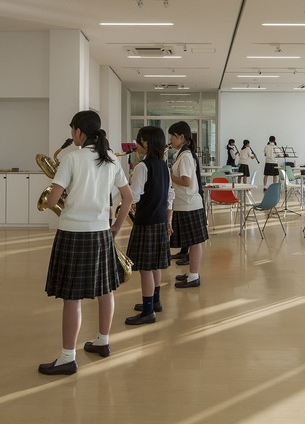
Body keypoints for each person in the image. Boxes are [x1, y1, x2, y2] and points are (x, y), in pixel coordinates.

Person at [39, 110, 133, 376]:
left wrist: (67, 193)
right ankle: (103, 341)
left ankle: (67, 358)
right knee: (106, 290)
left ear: (79, 131)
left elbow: (51, 200)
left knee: (72, 298)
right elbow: (128, 197)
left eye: (72, 130)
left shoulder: (72, 159)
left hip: (73, 233)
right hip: (101, 232)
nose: (72, 135)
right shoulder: (111, 159)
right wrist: (116, 226)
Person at [124, 126, 174, 325]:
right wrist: (169, 220)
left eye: (139, 140)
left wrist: (123, 191)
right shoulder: (164, 167)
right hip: (160, 220)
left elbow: (134, 196)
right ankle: (155, 301)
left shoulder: (142, 167)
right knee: (154, 265)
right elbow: (170, 196)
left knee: (145, 268)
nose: (136, 144)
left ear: (146, 142)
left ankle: (147, 311)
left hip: (146, 222)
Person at [168, 121, 208, 288]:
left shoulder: (185, 156)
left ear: (181, 137)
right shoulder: (183, 154)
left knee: (194, 243)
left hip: (189, 204)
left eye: (172, 136)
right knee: (193, 242)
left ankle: (194, 276)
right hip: (186, 203)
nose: (170, 139)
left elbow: (186, 181)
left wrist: (168, 175)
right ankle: (192, 273)